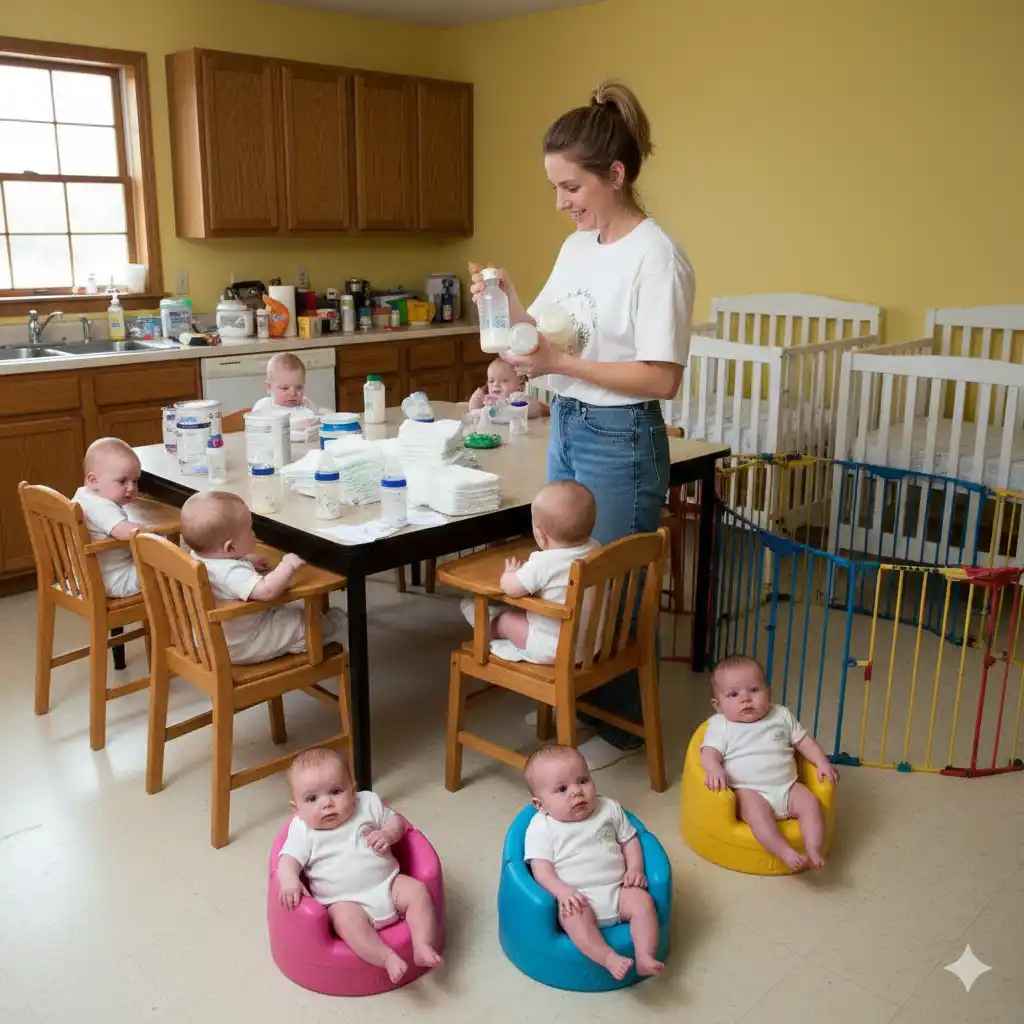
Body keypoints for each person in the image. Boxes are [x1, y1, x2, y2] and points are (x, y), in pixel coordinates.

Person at [470, 82, 694, 770]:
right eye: (556, 187)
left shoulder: (657, 257)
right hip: (569, 422)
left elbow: (660, 376)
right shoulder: (579, 247)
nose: (562, 202)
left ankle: (619, 728)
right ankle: (576, 699)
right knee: (568, 575)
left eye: (570, 187)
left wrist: (561, 361)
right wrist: (506, 309)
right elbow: (541, 333)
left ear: (615, 175)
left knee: (608, 585)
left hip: (620, 438)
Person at [276, 747, 443, 984]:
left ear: (353, 791)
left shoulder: (367, 804)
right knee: (346, 921)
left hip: (388, 884)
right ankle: (386, 958)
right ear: (297, 809)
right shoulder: (302, 831)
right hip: (345, 901)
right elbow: (287, 860)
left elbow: (398, 821)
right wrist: (290, 880)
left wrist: (388, 833)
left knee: (418, 892)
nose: (327, 803)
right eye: (312, 799)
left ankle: (423, 945)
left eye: (335, 791)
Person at [523, 744, 663, 980]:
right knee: (573, 919)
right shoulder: (542, 827)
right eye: (562, 789)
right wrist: (563, 892)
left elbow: (630, 840)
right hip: (578, 898)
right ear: (540, 804)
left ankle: (645, 956)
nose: (577, 792)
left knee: (644, 904)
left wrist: (635, 868)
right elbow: (541, 870)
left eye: (583, 780)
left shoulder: (608, 808)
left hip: (619, 890)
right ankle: (608, 958)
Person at [700, 655, 840, 871]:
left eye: (754, 690)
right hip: (750, 792)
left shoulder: (780, 715)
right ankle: (785, 852)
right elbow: (708, 753)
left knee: (811, 804)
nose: (745, 699)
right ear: (717, 705)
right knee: (757, 816)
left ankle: (813, 849)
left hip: (788, 787)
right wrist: (713, 768)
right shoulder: (720, 725)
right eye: (733, 694)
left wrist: (822, 763)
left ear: (769, 693)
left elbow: (805, 742)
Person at [179, 490, 345, 665]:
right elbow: (266, 590)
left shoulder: (196, 556)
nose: (253, 533)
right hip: (243, 644)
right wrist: (287, 565)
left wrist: (245, 560)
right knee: (299, 622)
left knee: (286, 615)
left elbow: (223, 566)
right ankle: (332, 630)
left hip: (209, 638)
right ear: (230, 547)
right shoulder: (232, 574)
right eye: (249, 530)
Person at [462, 481, 598, 664]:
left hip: (553, 650)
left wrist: (509, 573)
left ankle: (490, 631)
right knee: (524, 612)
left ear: (541, 536)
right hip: (592, 643)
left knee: (506, 619)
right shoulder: (597, 550)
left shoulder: (543, 563)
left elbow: (512, 589)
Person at [73, 437, 146, 597]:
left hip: (83, 577)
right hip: (115, 580)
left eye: (135, 481)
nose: (131, 487)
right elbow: (126, 532)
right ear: (93, 480)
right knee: (170, 566)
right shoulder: (102, 507)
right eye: (122, 481)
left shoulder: (83, 495)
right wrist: (152, 530)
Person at [251, 352, 324, 439]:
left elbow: (318, 426)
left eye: (299, 387)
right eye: (285, 388)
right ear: (269, 387)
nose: (293, 393)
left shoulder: (307, 404)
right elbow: (254, 433)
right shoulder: (263, 408)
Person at [468, 358, 548, 419]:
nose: (496, 385)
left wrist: (507, 402)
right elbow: (474, 412)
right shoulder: (488, 403)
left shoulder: (519, 399)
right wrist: (478, 395)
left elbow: (536, 408)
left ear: (519, 383)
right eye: (491, 381)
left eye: (504, 381)